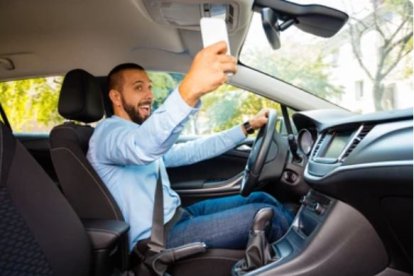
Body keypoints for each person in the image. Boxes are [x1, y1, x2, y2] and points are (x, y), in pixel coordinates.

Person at [87, 41, 293, 253]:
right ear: (115, 97)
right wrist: (189, 90)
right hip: (157, 239)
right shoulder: (107, 135)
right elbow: (144, 147)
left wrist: (247, 127)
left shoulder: (134, 133)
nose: (149, 95)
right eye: (138, 87)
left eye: (149, 87)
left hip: (179, 216)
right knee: (268, 217)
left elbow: (194, 150)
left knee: (262, 198)